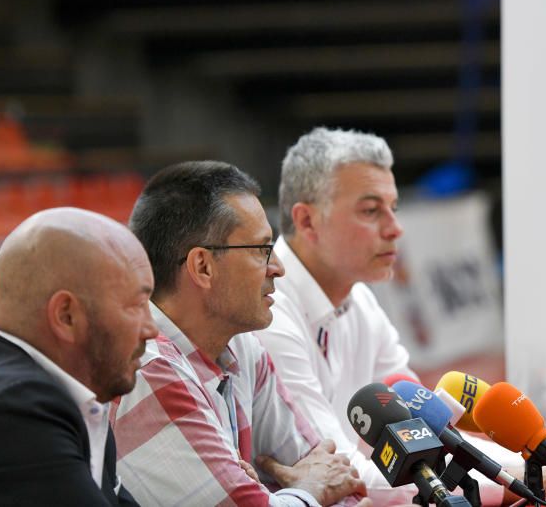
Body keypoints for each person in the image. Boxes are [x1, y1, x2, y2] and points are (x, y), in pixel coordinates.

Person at [255, 127, 546, 505]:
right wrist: (514, 481)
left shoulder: (361, 301)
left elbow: (429, 434)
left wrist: (537, 462)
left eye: (393, 208)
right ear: (306, 221)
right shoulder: (267, 314)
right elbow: (339, 472)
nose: (395, 229)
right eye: (371, 211)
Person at [112, 160, 368, 507]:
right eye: (262, 250)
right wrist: (307, 491)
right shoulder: (148, 367)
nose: (277, 268)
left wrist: (286, 494)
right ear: (203, 266)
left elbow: (336, 477)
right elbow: (317, 483)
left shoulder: (243, 347)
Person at [0, 207, 157, 506]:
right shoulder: (14, 414)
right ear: (66, 316)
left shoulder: (64, 397)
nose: (151, 329)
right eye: (136, 305)